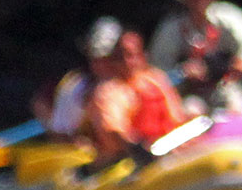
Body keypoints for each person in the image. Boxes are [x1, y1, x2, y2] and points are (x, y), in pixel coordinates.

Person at [82, 20, 194, 163]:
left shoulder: (156, 78)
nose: (128, 62)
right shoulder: (109, 91)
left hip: (170, 150)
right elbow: (116, 131)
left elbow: (177, 117)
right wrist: (144, 150)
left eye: (132, 55)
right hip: (133, 160)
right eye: (121, 57)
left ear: (143, 56)